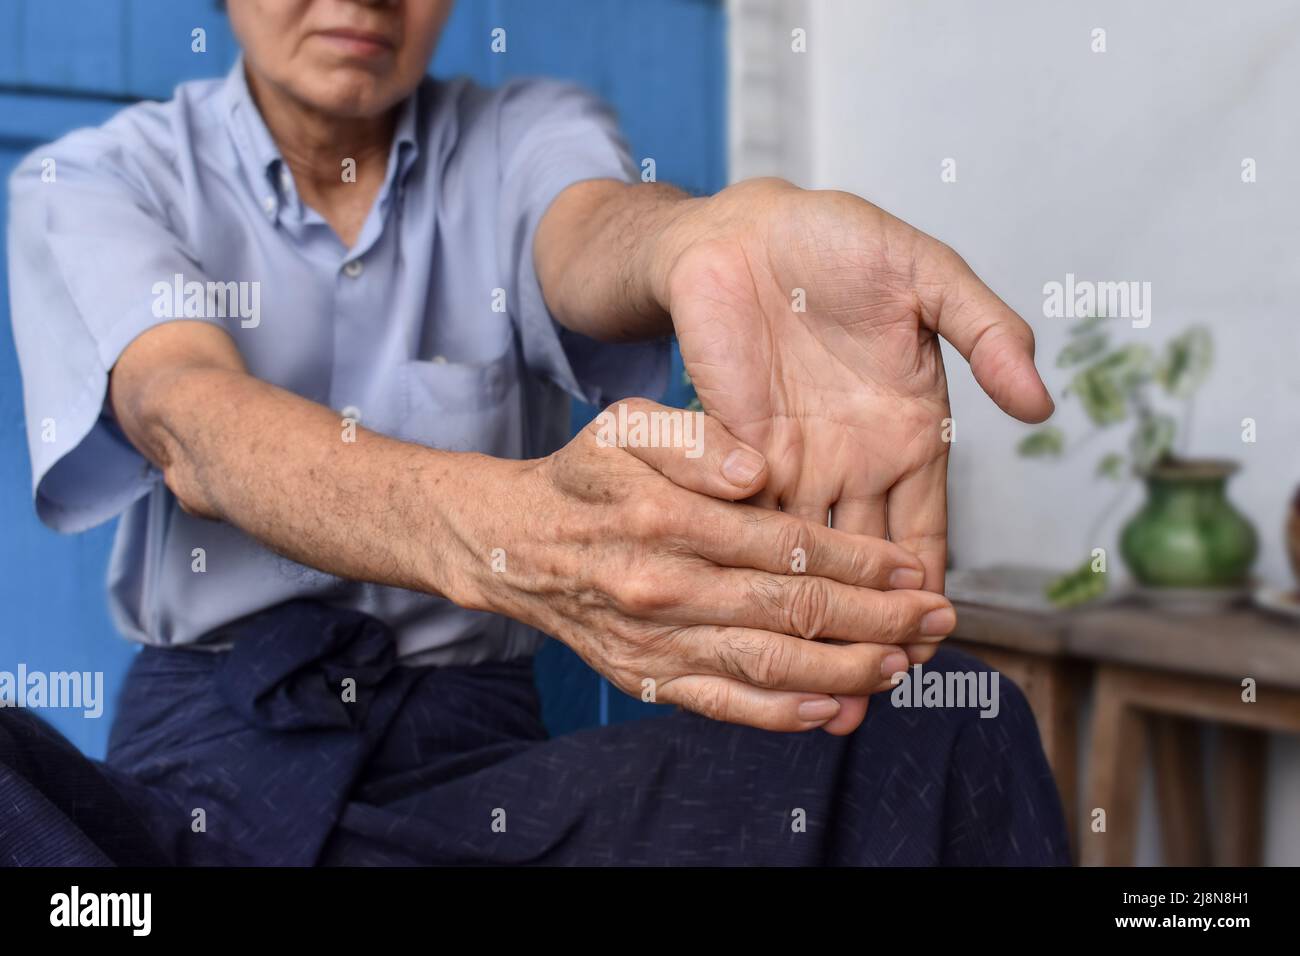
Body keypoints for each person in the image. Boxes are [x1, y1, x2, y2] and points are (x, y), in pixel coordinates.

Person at [2, 0, 1067, 865]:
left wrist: (706, 236)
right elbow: (186, 416)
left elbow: (595, 231)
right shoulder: (96, 179)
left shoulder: (524, 134)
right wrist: (507, 532)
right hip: (196, 786)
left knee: (940, 713)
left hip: (481, 795)